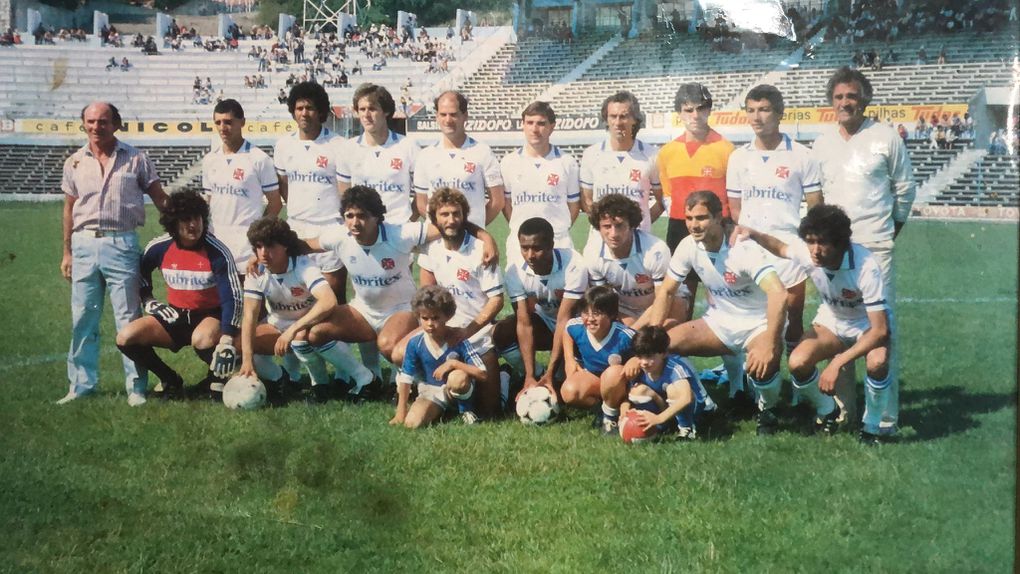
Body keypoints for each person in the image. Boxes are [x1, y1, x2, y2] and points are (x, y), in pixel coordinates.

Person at [297, 186, 497, 400]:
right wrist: (263, 252)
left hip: (400, 310)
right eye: (349, 216)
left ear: (377, 217)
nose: (355, 222)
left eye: (363, 216)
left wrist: (487, 238)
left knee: (388, 345)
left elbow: (450, 224)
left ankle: (409, 382)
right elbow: (305, 245)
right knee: (316, 333)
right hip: (363, 310)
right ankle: (365, 378)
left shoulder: (400, 234)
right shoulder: (339, 236)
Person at [812, 67, 914, 435]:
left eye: (851, 96)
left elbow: (905, 192)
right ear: (831, 102)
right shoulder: (822, 143)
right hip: (835, 253)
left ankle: (884, 419)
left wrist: (887, 233)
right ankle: (843, 413)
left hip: (875, 246)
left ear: (864, 99)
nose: (845, 103)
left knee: (881, 334)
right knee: (839, 326)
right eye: (838, 97)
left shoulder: (886, 137)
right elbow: (817, 199)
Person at [736, 205, 890, 443]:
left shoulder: (866, 266)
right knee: (798, 362)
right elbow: (780, 247)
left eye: (822, 242)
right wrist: (754, 234)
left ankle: (871, 427)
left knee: (878, 362)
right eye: (810, 241)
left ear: (840, 242)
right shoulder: (808, 252)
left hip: (865, 326)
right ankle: (829, 410)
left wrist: (837, 362)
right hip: (832, 320)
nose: (815, 250)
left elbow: (880, 330)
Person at [639, 192, 789, 435]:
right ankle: (703, 405)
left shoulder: (742, 248)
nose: (693, 225)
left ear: (719, 217)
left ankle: (766, 411)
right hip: (719, 322)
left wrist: (770, 343)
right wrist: (651, 341)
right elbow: (666, 291)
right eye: (688, 218)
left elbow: (778, 294)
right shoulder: (688, 245)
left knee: (764, 364)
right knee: (665, 347)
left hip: (758, 323)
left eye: (701, 218)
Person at [59, 102, 169, 406]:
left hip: (121, 243)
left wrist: (184, 226)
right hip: (83, 245)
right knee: (83, 317)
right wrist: (67, 252)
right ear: (84, 124)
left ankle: (136, 387)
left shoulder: (136, 159)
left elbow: (160, 198)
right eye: (91, 121)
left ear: (116, 124)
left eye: (103, 121)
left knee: (128, 319)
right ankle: (81, 385)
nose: (97, 127)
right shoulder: (75, 162)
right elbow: (69, 209)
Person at [727, 84, 823, 389]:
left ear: (779, 113)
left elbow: (816, 208)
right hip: (751, 249)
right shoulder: (738, 157)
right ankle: (757, 388)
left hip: (788, 249)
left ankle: (797, 389)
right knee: (757, 320)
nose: (757, 117)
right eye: (751, 110)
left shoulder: (803, 156)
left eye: (764, 109)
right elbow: (735, 207)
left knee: (792, 320)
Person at [114, 191, 242, 402]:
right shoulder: (160, 246)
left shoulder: (218, 251)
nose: (193, 225)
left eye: (197, 218)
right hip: (174, 316)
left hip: (210, 317)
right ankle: (170, 379)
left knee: (201, 339)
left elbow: (233, 298)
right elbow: (141, 274)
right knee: (126, 337)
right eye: (186, 219)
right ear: (174, 223)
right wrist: (150, 301)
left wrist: (227, 336)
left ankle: (218, 378)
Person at [393, 188, 505, 417]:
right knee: (398, 352)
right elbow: (426, 295)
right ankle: (429, 388)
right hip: (442, 325)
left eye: (456, 213)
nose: (451, 220)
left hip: (475, 329)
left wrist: (467, 330)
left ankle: (503, 376)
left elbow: (497, 300)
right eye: (444, 214)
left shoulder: (481, 249)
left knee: (490, 412)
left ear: (464, 216)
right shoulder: (430, 249)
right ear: (434, 218)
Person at [238, 218, 369, 404]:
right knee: (241, 347)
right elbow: (249, 316)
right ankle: (282, 378)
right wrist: (247, 360)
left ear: (284, 246)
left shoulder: (302, 265)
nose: (263, 253)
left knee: (300, 338)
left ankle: (320, 384)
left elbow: (328, 301)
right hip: (278, 324)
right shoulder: (256, 271)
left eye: (270, 246)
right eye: (258, 247)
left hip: (311, 322)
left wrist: (292, 331)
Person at [494, 217, 588, 402]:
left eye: (537, 248)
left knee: (567, 391)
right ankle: (535, 375)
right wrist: (530, 375)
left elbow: (564, 320)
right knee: (502, 332)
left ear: (551, 245)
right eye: (524, 248)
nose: (530, 255)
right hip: (545, 324)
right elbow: (524, 322)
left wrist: (553, 372)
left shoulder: (574, 263)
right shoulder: (515, 271)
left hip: (576, 329)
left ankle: (556, 374)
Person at [274, 82, 348, 297]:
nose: (304, 113)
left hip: (329, 227)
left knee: (334, 297)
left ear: (321, 111)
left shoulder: (339, 145)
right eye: (299, 108)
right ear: (293, 112)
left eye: (310, 108)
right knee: (298, 295)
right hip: (297, 226)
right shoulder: (283, 146)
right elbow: (284, 185)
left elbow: (345, 191)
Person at [202, 99, 282, 275]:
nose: (223, 127)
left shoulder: (259, 159)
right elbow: (209, 202)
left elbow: (275, 204)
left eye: (228, 122)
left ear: (242, 122)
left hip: (246, 250)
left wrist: (258, 237)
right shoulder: (209, 160)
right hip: (216, 247)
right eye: (218, 122)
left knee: (251, 301)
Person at [391, 285, 487, 428]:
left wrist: (453, 364)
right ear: (418, 317)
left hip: (454, 388)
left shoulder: (458, 339)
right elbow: (406, 378)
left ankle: (466, 410)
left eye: (435, 318)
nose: (430, 324)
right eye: (425, 318)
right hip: (430, 390)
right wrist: (400, 412)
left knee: (458, 377)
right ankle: (438, 410)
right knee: (411, 424)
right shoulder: (415, 343)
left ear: (447, 316)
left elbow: (483, 373)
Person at [657, 83, 735, 253]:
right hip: (679, 226)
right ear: (679, 113)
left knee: (722, 278)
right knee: (682, 279)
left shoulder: (726, 149)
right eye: (689, 110)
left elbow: (734, 197)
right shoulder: (667, 152)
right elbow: (668, 195)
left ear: (709, 111)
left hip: (717, 226)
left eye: (701, 109)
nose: (696, 115)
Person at [582, 194, 679, 325]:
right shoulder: (592, 252)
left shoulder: (656, 250)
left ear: (632, 225)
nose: (613, 234)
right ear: (598, 227)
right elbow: (604, 303)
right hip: (625, 311)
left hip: (665, 305)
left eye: (620, 225)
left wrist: (634, 331)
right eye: (607, 226)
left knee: (666, 337)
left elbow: (662, 299)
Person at [500, 101, 580, 259]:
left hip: (558, 242)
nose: (535, 129)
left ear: (552, 126)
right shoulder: (509, 162)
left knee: (560, 284)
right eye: (530, 123)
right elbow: (507, 204)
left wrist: (558, 230)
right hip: (521, 243)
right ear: (523, 125)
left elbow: (574, 205)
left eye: (541, 124)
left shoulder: (567, 162)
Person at [579, 91, 663, 241]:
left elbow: (661, 200)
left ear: (635, 120)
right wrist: (604, 226)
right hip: (600, 241)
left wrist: (640, 224)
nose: (618, 122)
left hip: (639, 240)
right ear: (606, 119)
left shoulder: (652, 155)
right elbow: (587, 201)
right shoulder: (591, 154)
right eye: (613, 116)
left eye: (623, 116)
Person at [414, 91, 505, 228]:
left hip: (472, 241)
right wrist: (443, 227)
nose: (448, 120)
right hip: (437, 240)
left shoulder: (482, 152)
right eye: (443, 114)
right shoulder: (426, 155)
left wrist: (472, 228)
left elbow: (497, 201)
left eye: (454, 114)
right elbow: (421, 203)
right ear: (436, 117)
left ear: (465, 116)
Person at [338, 84, 420, 224]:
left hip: (399, 230)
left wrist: (408, 222)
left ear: (386, 111)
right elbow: (344, 196)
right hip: (364, 231)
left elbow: (422, 195)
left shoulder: (408, 146)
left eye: (372, 109)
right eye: (362, 109)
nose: (366, 115)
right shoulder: (348, 149)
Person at [560, 285, 636, 434]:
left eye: (597, 313)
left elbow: (646, 350)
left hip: (621, 385)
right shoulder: (578, 328)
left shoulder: (625, 336)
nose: (590, 319)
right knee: (570, 392)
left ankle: (611, 417)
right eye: (585, 313)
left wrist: (636, 359)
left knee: (613, 373)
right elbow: (567, 329)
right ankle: (602, 409)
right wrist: (569, 359)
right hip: (596, 380)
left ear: (612, 315)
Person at [614, 325, 709, 440]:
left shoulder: (674, 368)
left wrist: (659, 418)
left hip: (692, 410)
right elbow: (627, 398)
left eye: (649, 356)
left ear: (664, 353)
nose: (644, 362)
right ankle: (660, 427)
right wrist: (625, 411)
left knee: (673, 390)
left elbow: (686, 398)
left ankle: (687, 428)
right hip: (664, 410)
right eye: (639, 356)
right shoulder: (639, 369)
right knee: (637, 390)